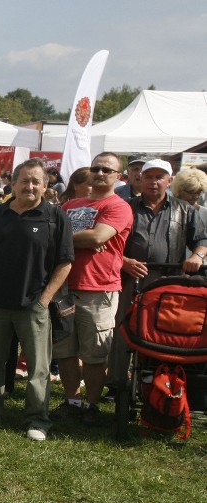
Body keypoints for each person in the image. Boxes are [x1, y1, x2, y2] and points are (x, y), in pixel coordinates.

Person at [0, 159, 73, 441]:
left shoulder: (54, 217)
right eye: (25, 180)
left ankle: (37, 420)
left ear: (45, 186)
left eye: (36, 181)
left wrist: (45, 298)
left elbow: (65, 262)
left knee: (38, 367)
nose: (30, 186)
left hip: (34, 304)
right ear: (13, 183)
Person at [108, 159, 207, 390]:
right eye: (149, 177)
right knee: (121, 330)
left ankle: (155, 385)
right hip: (128, 281)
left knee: (159, 334)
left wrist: (197, 256)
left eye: (159, 177)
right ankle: (117, 385)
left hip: (166, 284)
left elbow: (201, 240)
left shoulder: (185, 209)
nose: (154, 182)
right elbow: (108, 245)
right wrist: (124, 262)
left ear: (169, 181)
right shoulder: (124, 207)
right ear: (140, 179)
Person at [51, 152, 132, 425]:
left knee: (95, 354)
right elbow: (52, 235)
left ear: (118, 177)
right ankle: (72, 401)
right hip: (63, 287)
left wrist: (73, 239)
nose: (99, 173)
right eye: (96, 168)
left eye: (107, 170)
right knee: (64, 351)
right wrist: (79, 240)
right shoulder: (71, 204)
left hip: (98, 289)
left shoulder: (118, 206)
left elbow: (99, 236)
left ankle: (92, 406)